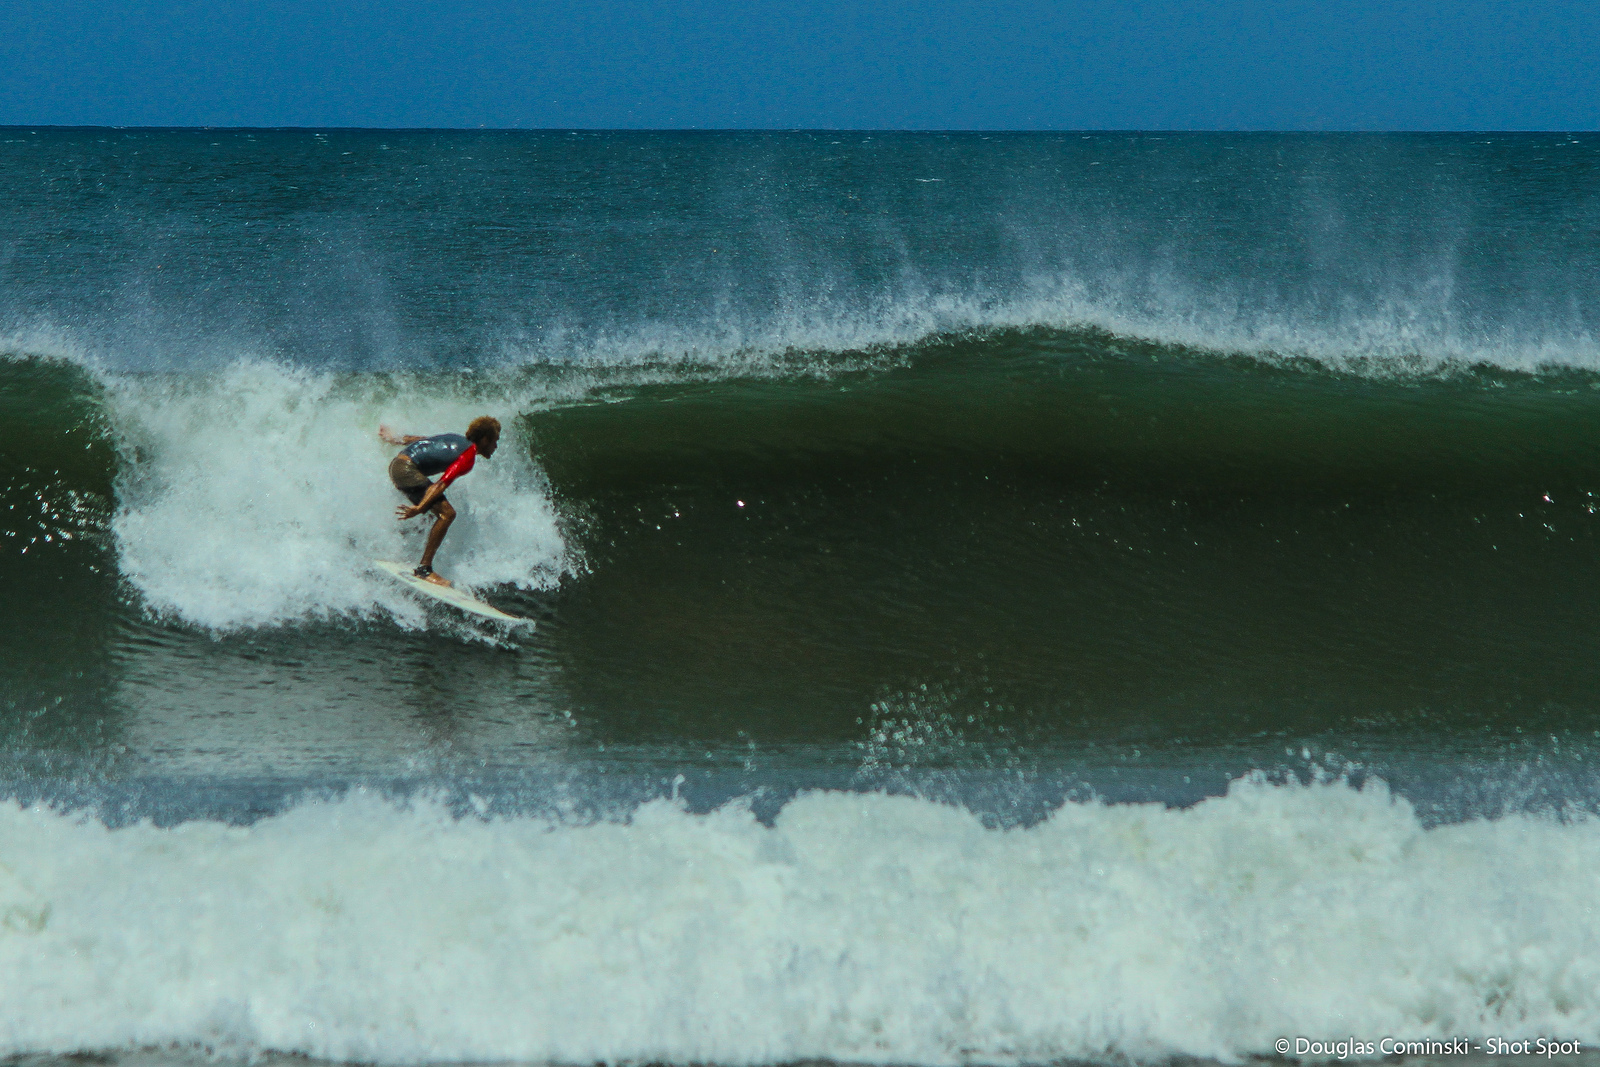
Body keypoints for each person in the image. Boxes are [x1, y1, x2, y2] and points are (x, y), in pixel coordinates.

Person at [379, 416, 501, 586]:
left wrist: (395, 439)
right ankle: (424, 570)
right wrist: (420, 507)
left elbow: (424, 442)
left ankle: (398, 548)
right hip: (407, 471)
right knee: (447, 514)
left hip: (397, 465)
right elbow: (440, 484)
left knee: (431, 517)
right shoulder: (468, 456)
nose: (496, 446)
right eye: (495, 441)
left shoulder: (456, 439)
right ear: (485, 439)